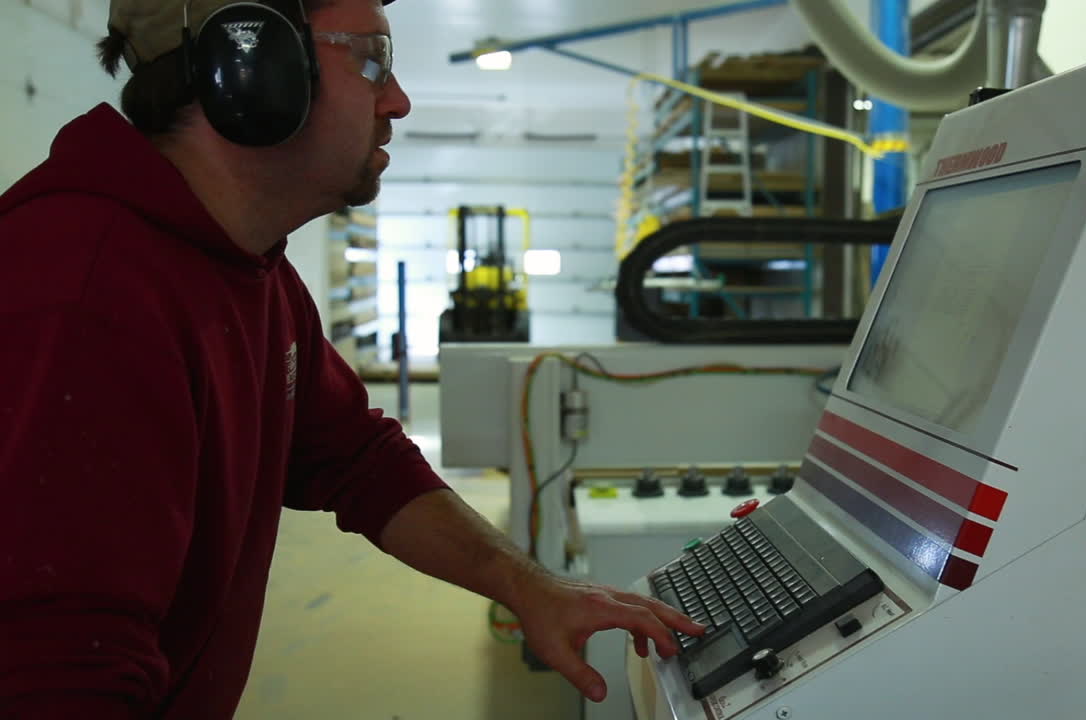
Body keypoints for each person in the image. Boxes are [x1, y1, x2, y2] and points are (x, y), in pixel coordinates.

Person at [0, 0, 702, 716]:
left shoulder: (245, 269)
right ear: (254, 66)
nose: (396, 100)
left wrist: (530, 586)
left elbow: (357, 458)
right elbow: (57, 682)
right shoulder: (83, 295)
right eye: (372, 59)